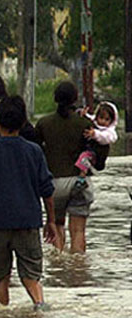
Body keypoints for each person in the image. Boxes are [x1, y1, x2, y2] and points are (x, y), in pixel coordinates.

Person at [0, 96, 57, 309]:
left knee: (0, 278)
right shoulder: (34, 151)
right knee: (31, 275)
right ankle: (39, 304)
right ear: (24, 122)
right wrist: (51, 221)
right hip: (28, 222)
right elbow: (47, 190)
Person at [35, 81, 109, 253]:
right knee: (78, 231)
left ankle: (60, 271)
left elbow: (35, 153)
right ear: (75, 99)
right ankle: (78, 272)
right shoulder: (84, 124)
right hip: (80, 181)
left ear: (55, 99)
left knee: (57, 228)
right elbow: (100, 160)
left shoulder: (44, 124)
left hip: (54, 185)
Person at [74, 101, 119, 188]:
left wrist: (95, 134)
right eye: (101, 118)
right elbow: (89, 118)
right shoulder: (93, 123)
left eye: (107, 119)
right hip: (89, 149)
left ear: (112, 120)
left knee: (84, 157)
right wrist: (82, 113)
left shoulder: (110, 132)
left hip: (96, 155)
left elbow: (106, 138)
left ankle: (81, 179)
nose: (102, 121)